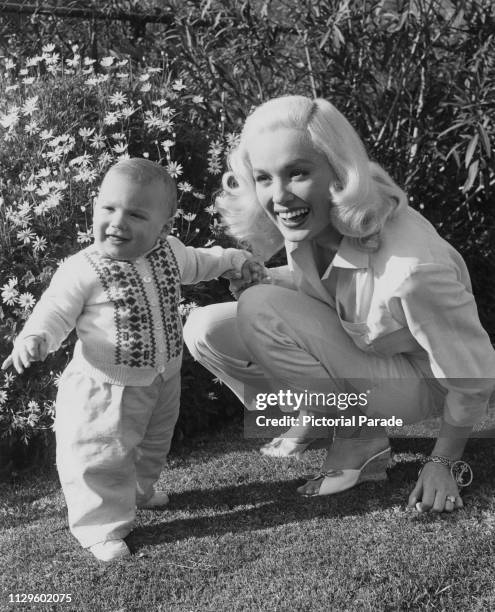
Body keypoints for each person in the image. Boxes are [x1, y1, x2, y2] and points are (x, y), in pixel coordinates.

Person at [183, 95, 495, 514]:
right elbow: (339, 291)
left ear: (337, 170)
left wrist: (442, 461)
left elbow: (473, 375)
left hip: (418, 385)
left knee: (259, 309)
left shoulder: (414, 270)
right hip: (368, 357)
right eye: (264, 178)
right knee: (204, 328)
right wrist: (269, 277)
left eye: (297, 173)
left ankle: (360, 439)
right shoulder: (316, 225)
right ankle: (321, 414)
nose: (279, 196)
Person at [1, 158, 265, 562]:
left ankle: (140, 490)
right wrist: (35, 338)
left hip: (164, 378)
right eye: (108, 209)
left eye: (136, 214)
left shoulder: (170, 252)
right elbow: (54, 309)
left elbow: (202, 260)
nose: (117, 222)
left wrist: (232, 260)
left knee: (153, 444)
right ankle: (99, 526)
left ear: (164, 227)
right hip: (105, 389)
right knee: (100, 454)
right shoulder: (82, 269)